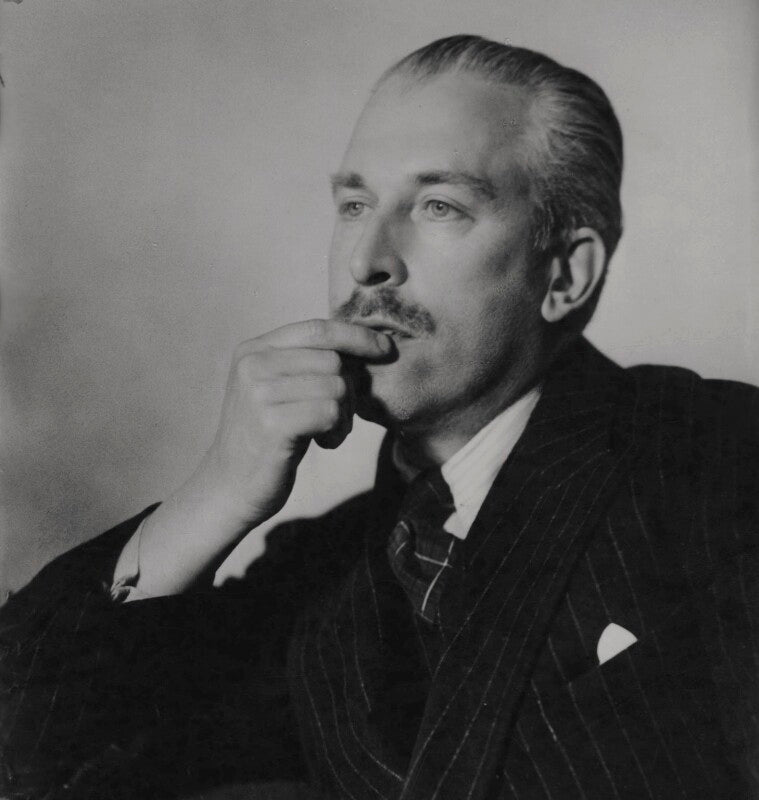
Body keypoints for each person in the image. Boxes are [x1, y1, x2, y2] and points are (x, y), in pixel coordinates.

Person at [0, 34, 757, 800]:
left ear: (564, 275)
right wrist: (214, 495)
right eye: (355, 205)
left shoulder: (719, 458)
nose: (367, 260)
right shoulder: (318, 572)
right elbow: (31, 755)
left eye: (438, 206)